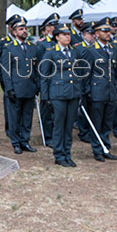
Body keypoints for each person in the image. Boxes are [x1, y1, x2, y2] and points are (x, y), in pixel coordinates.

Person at [39, 24, 85, 166]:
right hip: (57, 94)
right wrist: (45, 97)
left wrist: (79, 91)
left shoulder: (74, 52)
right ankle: (59, 155)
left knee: (69, 125)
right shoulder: (51, 53)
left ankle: (67, 152)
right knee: (59, 125)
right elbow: (44, 76)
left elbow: (79, 72)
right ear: (57, 37)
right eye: (64, 34)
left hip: (73, 93)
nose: (67, 37)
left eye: (68, 34)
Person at [0, 15, 39, 154]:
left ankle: (25, 141)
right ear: (14, 32)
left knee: (27, 117)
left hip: (29, 88)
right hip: (15, 88)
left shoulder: (33, 47)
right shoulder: (9, 48)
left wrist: (37, 85)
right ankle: (15, 142)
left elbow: (36, 68)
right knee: (14, 117)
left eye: (25, 28)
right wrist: (8, 89)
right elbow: (5, 70)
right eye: (21, 29)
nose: (24, 31)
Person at [82, 17, 117, 162]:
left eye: (109, 30)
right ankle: (97, 149)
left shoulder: (112, 49)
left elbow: (115, 73)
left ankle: (106, 147)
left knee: (107, 123)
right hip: (97, 92)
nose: (108, 33)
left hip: (110, 92)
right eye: (104, 31)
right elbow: (85, 74)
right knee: (96, 123)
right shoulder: (90, 51)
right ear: (96, 34)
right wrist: (88, 92)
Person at [36, 13, 60, 146]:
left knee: (57, 110)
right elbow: (40, 65)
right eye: (53, 25)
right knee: (47, 110)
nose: (55, 27)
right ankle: (48, 136)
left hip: (59, 81)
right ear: (48, 28)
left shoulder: (60, 42)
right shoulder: (42, 45)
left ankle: (56, 134)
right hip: (47, 81)